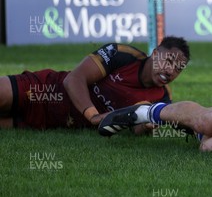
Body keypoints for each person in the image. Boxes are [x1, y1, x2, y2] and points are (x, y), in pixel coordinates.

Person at [0, 36, 190, 130]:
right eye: (169, 61)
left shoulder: (163, 99)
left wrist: (145, 124)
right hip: (45, 88)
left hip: (56, 122)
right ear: (155, 54)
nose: (170, 71)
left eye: (178, 69)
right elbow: (73, 79)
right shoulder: (121, 54)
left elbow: (137, 129)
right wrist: (94, 117)